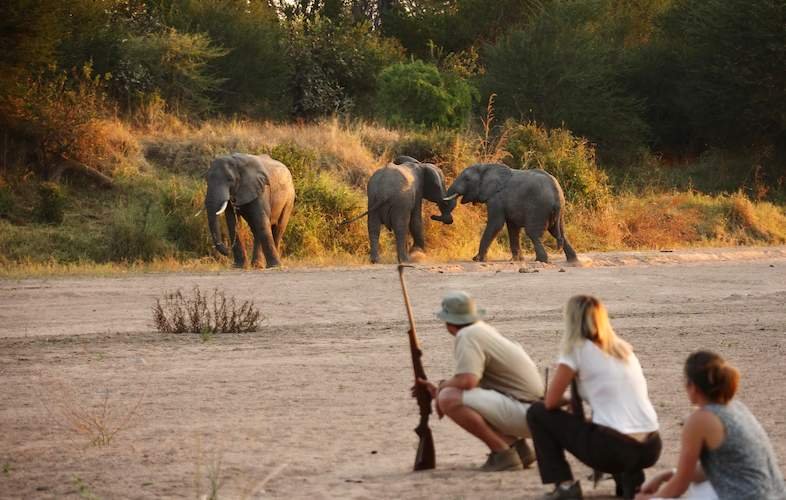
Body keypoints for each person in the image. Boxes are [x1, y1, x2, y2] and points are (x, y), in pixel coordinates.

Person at [527, 295, 661, 500]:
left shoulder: (576, 351)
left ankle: (564, 486)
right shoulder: (623, 349)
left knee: (537, 412)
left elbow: (550, 402)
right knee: (609, 424)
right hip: (651, 446)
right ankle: (630, 481)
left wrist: (567, 399)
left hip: (615, 450)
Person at [416, 290, 544, 472]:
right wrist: (440, 388)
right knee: (451, 394)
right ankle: (517, 448)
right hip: (533, 412)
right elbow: (476, 384)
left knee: (448, 398)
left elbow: (468, 381)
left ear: (449, 322)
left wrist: (442, 389)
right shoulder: (483, 330)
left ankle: (502, 453)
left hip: (526, 413)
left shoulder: (467, 335)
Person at [635, 351, 786, 500]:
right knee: (699, 485)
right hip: (772, 493)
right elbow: (716, 469)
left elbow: (680, 485)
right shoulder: (736, 408)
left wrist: (649, 498)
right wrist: (667, 475)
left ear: (692, 386)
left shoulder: (700, 420)